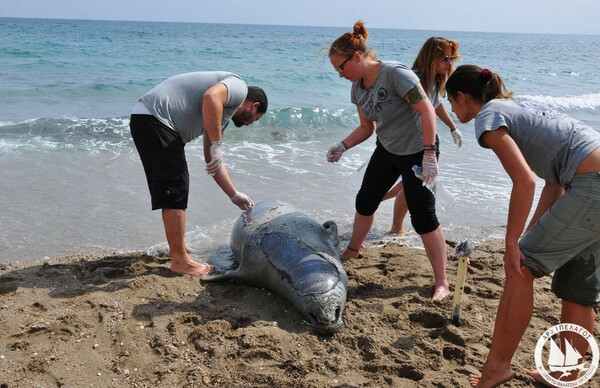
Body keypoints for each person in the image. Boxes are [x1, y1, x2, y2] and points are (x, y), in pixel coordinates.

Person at [445, 65, 600, 387]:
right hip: (588, 184)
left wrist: (513, 243)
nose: (450, 109)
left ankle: (497, 368)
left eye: (450, 102)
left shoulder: (488, 116)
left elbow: (524, 181)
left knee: (520, 268)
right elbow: (552, 184)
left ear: (462, 96)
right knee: (578, 293)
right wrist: (528, 234)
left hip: (590, 188)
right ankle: (565, 374)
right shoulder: (520, 107)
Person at [326, 21, 450, 301]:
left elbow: (428, 111)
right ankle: (353, 251)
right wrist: (342, 145)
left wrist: (429, 154)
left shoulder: (395, 74)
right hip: (388, 149)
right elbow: (366, 128)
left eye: (341, 67)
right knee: (365, 200)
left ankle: (442, 282)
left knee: (423, 216)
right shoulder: (357, 88)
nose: (339, 74)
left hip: (419, 151)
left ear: (357, 57)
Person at [130, 71, 268, 276]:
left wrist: (234, 194)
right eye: (255, 119)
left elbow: (211, 159)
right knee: (175, 186)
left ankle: (179, 249)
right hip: (157, 119)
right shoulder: (238, 87)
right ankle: (180, 260)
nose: (250, 124)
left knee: (173, 187)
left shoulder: (220, 116)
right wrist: (218, 145)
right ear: (254, 106)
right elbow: (210, 96)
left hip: (151, 120)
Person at [383, 36, 463, 235]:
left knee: (409, 184)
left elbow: (436, 105)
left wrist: (453, 127)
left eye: (451, 58)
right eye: (445, 58)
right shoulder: (412, 79)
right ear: (431, 57)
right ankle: (394, 224)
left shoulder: (434, 81)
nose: (449, 63)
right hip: (413, 143)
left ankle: (390, 218)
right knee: (411, 185)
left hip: (425, 141)